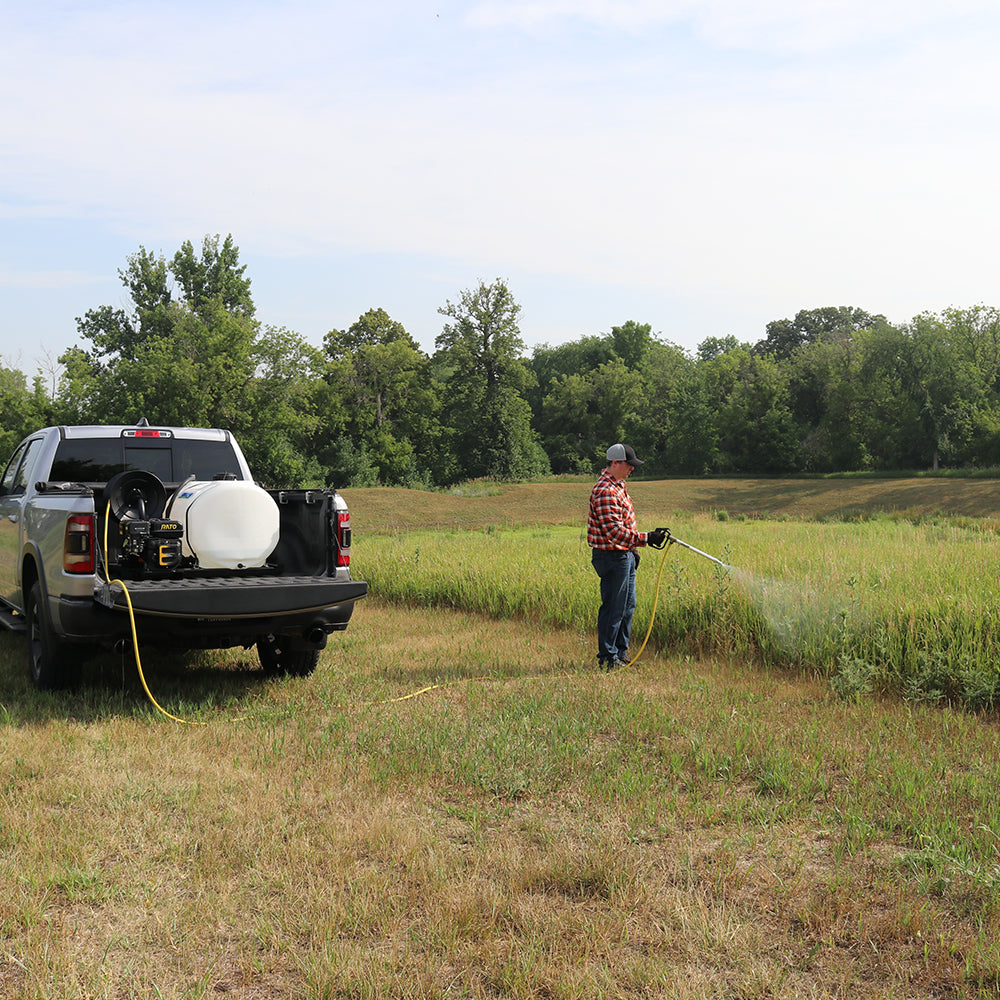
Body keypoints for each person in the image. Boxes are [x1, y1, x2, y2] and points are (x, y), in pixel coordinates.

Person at [587, 443, 666, 670]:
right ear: (615, 463)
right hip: (611, 557)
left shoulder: (618, 485)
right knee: (614, 607)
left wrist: (634, 549)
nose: (632, 469)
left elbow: (623, 526)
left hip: (624, 554)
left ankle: (620, 654)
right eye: (629, 464)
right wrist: (647, 538)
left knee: (627, 606)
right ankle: (608, 658)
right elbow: (614, 532)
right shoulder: (605, 491)